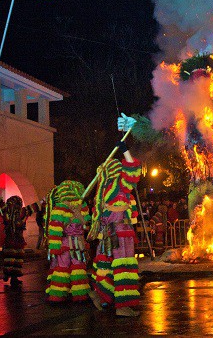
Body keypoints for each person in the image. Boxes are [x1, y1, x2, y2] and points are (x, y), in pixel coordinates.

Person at [88, 114, 142, 317]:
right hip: (120, 235)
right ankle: (123, 306)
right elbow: (134, 172)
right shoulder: (119, 186)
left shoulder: (103, 190)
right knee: (124, 267)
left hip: (108, 235)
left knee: (106, 266)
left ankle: (99, 295)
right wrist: (126, 151)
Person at [45, 181, 91, 302]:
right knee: (78, 266)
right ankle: (79, 295)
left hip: (65, 243)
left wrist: (55, 247)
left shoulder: (60, 207)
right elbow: (87, 226)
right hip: (78, 242)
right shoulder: (83, 206)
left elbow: (55, 229)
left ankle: (58, 295)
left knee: (62, 267)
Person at [0, 196, 29, 286]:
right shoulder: (7, 213)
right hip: (11, 238)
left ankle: (14, 277)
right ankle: (7, 274)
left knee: (17, 259)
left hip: (18, 239)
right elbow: (5, 217)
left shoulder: (21, 213)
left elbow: (32, 209)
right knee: (10, 257)